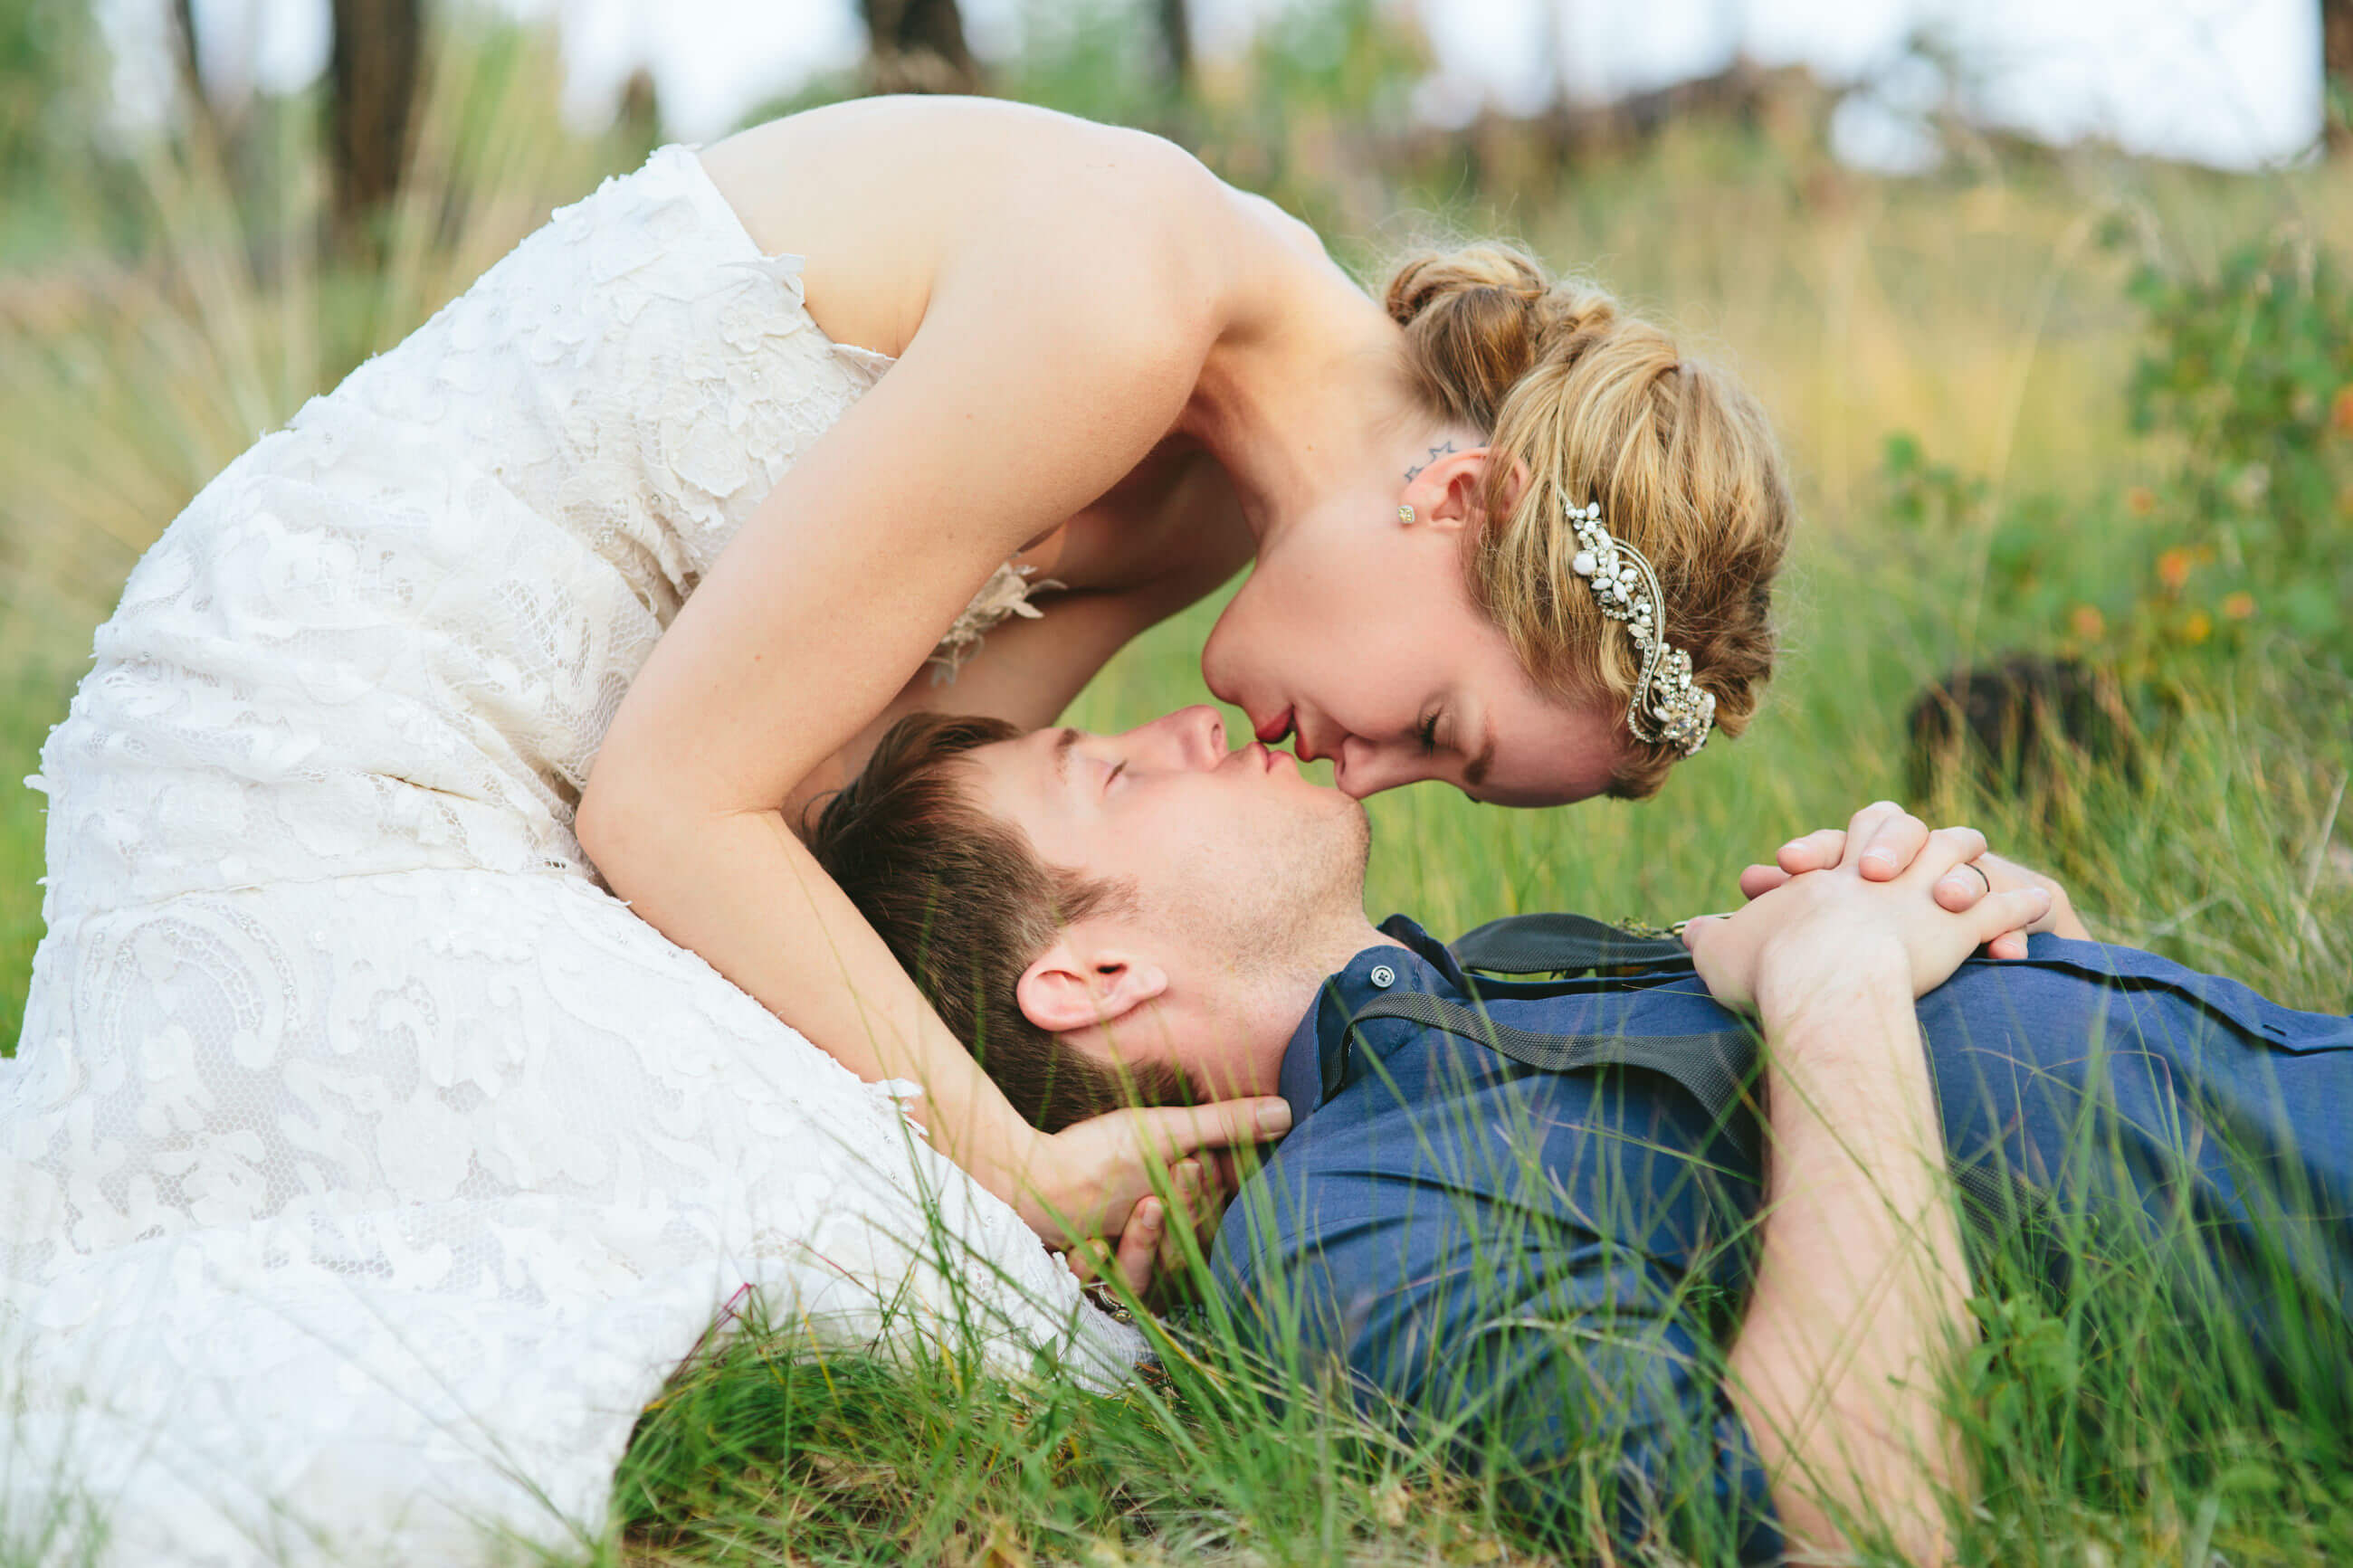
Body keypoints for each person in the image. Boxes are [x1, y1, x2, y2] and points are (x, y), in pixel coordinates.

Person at [0, 98, 1792, 1562]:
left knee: (907, 1222)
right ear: (1452, 495)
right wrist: (1008, 1159)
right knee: (940, 1274)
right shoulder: (1117, 300)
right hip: (342, 727)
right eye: (1434, 730)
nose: (1364, 782)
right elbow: (679, 807)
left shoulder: (1198, 505)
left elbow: (884, 820)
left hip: (580, 800)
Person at [805, 705, 2353, 1564]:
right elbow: (1849, 1516)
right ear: (1089, 977)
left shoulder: (1503, 981)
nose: (1194, 726)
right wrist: (1834, 986)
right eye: (1115, 774)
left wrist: (2003, 930)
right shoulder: (1341, 1229)